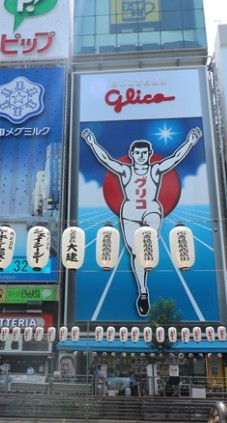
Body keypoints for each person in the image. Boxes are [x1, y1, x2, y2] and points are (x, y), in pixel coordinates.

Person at [81, 127, 203, 316]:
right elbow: (106, 159)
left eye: (144, 153)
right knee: (136, 253)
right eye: (137, 153)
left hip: (151, 210)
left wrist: (190, 142)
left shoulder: (155, 169)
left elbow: (175, 158)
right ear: (132, 154)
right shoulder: (125, 171)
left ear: (149, 154)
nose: (140, 156)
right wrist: (92, 143)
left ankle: (147, 271)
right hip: (129, 213)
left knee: (148, 242)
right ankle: (143, 291)